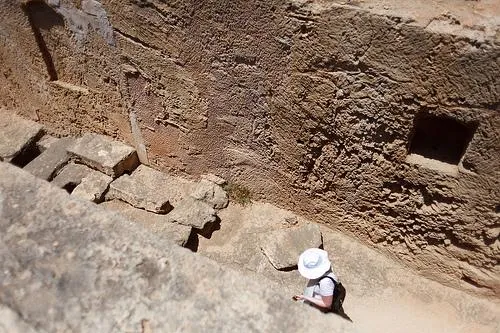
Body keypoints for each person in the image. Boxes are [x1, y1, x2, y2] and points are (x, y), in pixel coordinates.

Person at [293, 248, 351, 321]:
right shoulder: (327, 268)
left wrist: (305, 297)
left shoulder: (325, 282)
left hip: (320, 309)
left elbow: (326, 304)